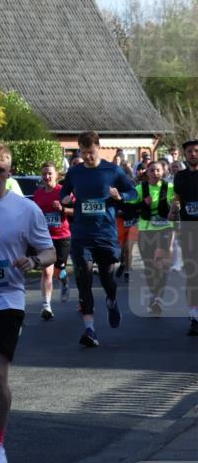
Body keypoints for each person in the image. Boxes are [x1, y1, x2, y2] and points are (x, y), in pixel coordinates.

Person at [0, 143, 55, 463]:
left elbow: (49, 251)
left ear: (10, 173)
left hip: (7, 301)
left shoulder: (25, 209)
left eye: (0, 170)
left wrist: (33, 260)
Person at [61, 131, 137, 347]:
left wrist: (120, 196)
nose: (87, 157)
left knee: (106, 278)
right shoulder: (74, 172)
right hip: (81, 234)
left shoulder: (113, 170)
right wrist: (65, 198)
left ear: (99, 148)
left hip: (105, 234)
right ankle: (90, 329)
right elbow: (64, 192)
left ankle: (111, 300)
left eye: (91, 152)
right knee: (84, 278)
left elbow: (133, 192)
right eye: (83, 152)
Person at [31, 161, 73, 318]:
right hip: (44, 237)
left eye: (50, 173)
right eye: (44, 174)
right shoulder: (38, 194)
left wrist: (62, 209)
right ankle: (46, 306)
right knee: (46, 271)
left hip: (62, 236)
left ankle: (63, 278)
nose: (47, 176)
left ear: (56, 175)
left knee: (57, 270)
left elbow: (75, 211)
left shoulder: (63, 192)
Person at [135, 160, 176, 315]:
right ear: (147, 172)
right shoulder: (140, 188)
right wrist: (142, 204)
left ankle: (158, 298)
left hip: (164, 230)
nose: (155, 173)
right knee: (149, 265)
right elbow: (130, 207)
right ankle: (154, 294)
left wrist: (174, 208)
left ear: (163, 172)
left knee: (161, 264)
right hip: (145, 231)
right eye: (152, 170)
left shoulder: (170, 187)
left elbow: (176, 205)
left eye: (158, 170)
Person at [174, 137, 198, 335]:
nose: (193, 154)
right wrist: (173, 209)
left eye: (196, 151)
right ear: (185, 154)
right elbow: (177, 198)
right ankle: (194, 317)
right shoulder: (180, 176)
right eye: (189, 151)